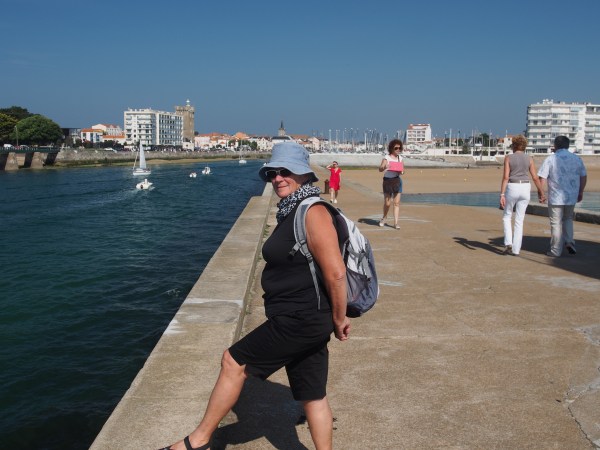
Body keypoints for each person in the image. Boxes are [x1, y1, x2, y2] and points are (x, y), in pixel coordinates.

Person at [159, 142, 350, 450]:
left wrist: (339, 319)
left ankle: (198, 442)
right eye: (272, 173)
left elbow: (336, 273)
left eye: (285, 171)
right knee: (313, 394)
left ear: (303, 174)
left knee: (233, 361)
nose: (277, 178)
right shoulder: (293, 210)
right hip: (307, 318)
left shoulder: (312, 212)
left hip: (300, 319)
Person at [537, 135, 587, 257]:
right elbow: (583, 176)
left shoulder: (551, 159)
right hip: (571, 196)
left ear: (555, 145)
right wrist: (581, 191)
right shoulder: (577, 159)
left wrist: (541, 193)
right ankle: (569, 241)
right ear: (568, 145)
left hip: (555, 196)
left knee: (555, 222)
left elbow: (542, 177)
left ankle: (555, 250)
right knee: (568, 218)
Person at [499, 135, 545, 256]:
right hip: (525, 187)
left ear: (514, 145)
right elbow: (535, 177)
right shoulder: (529, 159)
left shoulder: (508, 158)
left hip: (513, 186)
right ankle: (516, 250)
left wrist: (502, 194)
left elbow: (505, 177)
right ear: (524, 146)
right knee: (519, 220)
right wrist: (541, 192)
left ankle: (508, 242)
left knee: (507, 216)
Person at [378, 139, 404, 229]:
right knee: (387, 203)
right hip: (387, 181)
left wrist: (401, 171)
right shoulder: (387, 157)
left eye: (399, 148)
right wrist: (385, 166)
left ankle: (396, 223)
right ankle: (384, 217)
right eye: (396, 148)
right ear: (391, 148)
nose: (398, 149)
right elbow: (380, 169)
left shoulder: (400, 158)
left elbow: (402, 171)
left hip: (397, 181)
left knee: (396, 203)